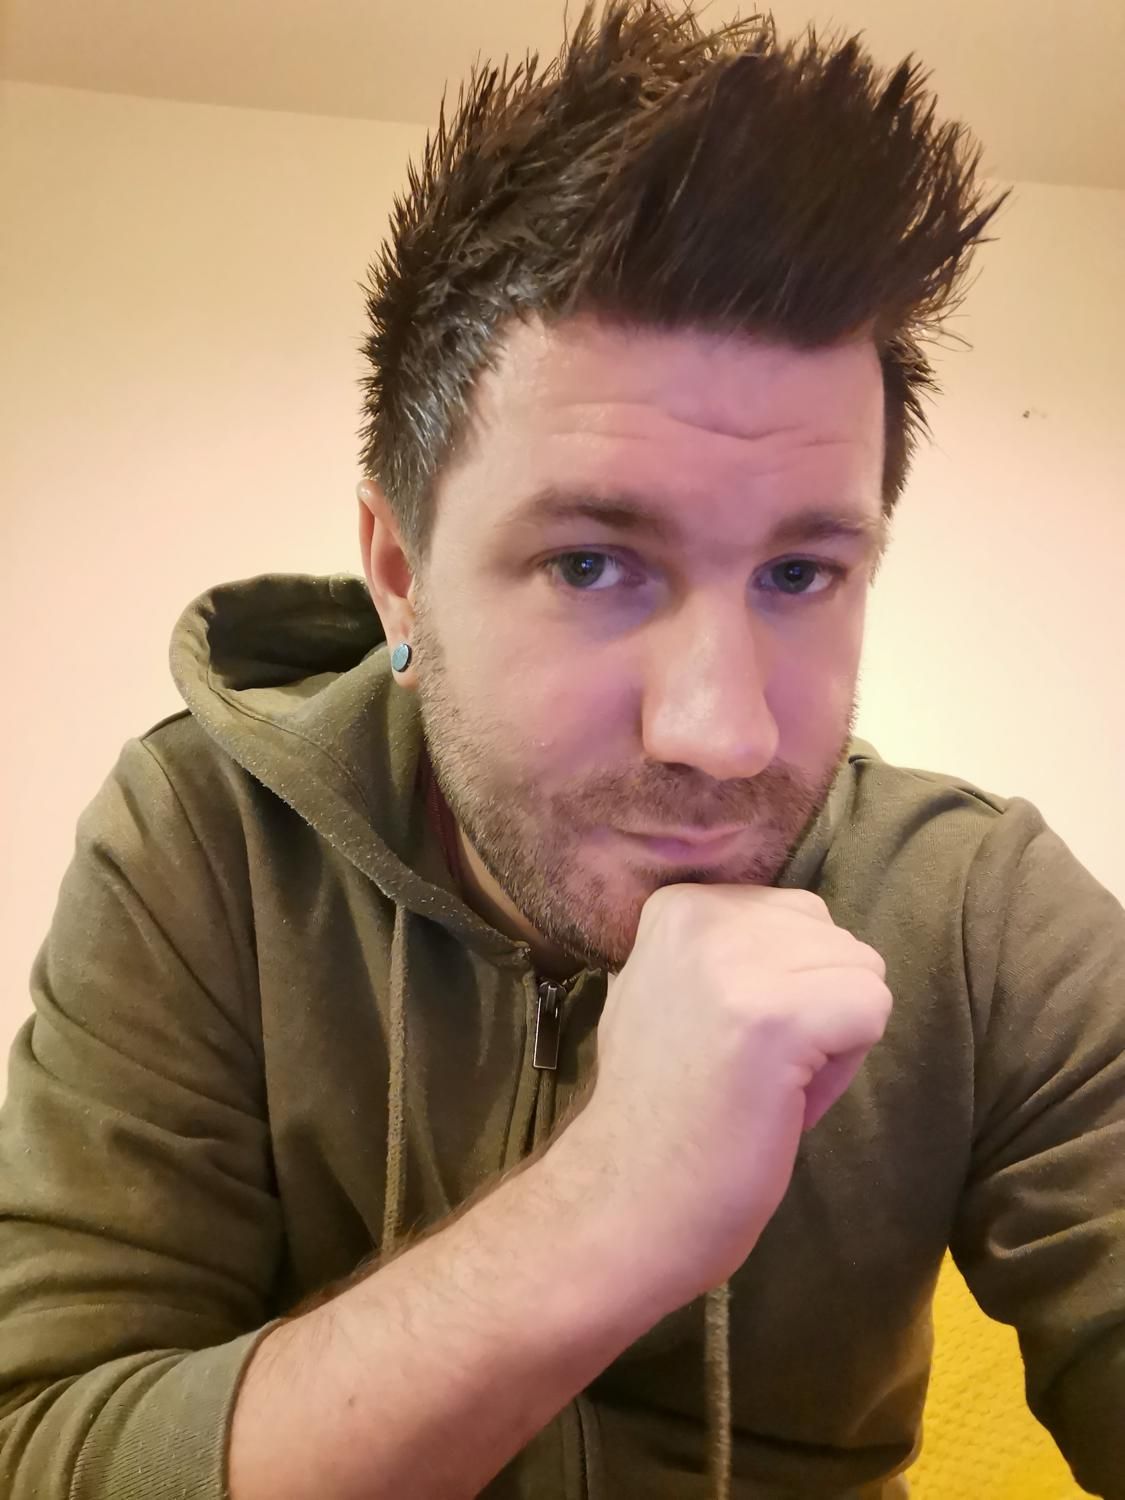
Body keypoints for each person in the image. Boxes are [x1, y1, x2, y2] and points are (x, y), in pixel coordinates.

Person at [1, 2, 1122, 1497]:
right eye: (593, 564)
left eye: (800, 573)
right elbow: (41, 1446)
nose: (720, 735)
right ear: (398, 571)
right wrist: (604, 1208)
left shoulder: (982, 915)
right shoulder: (203, 845)